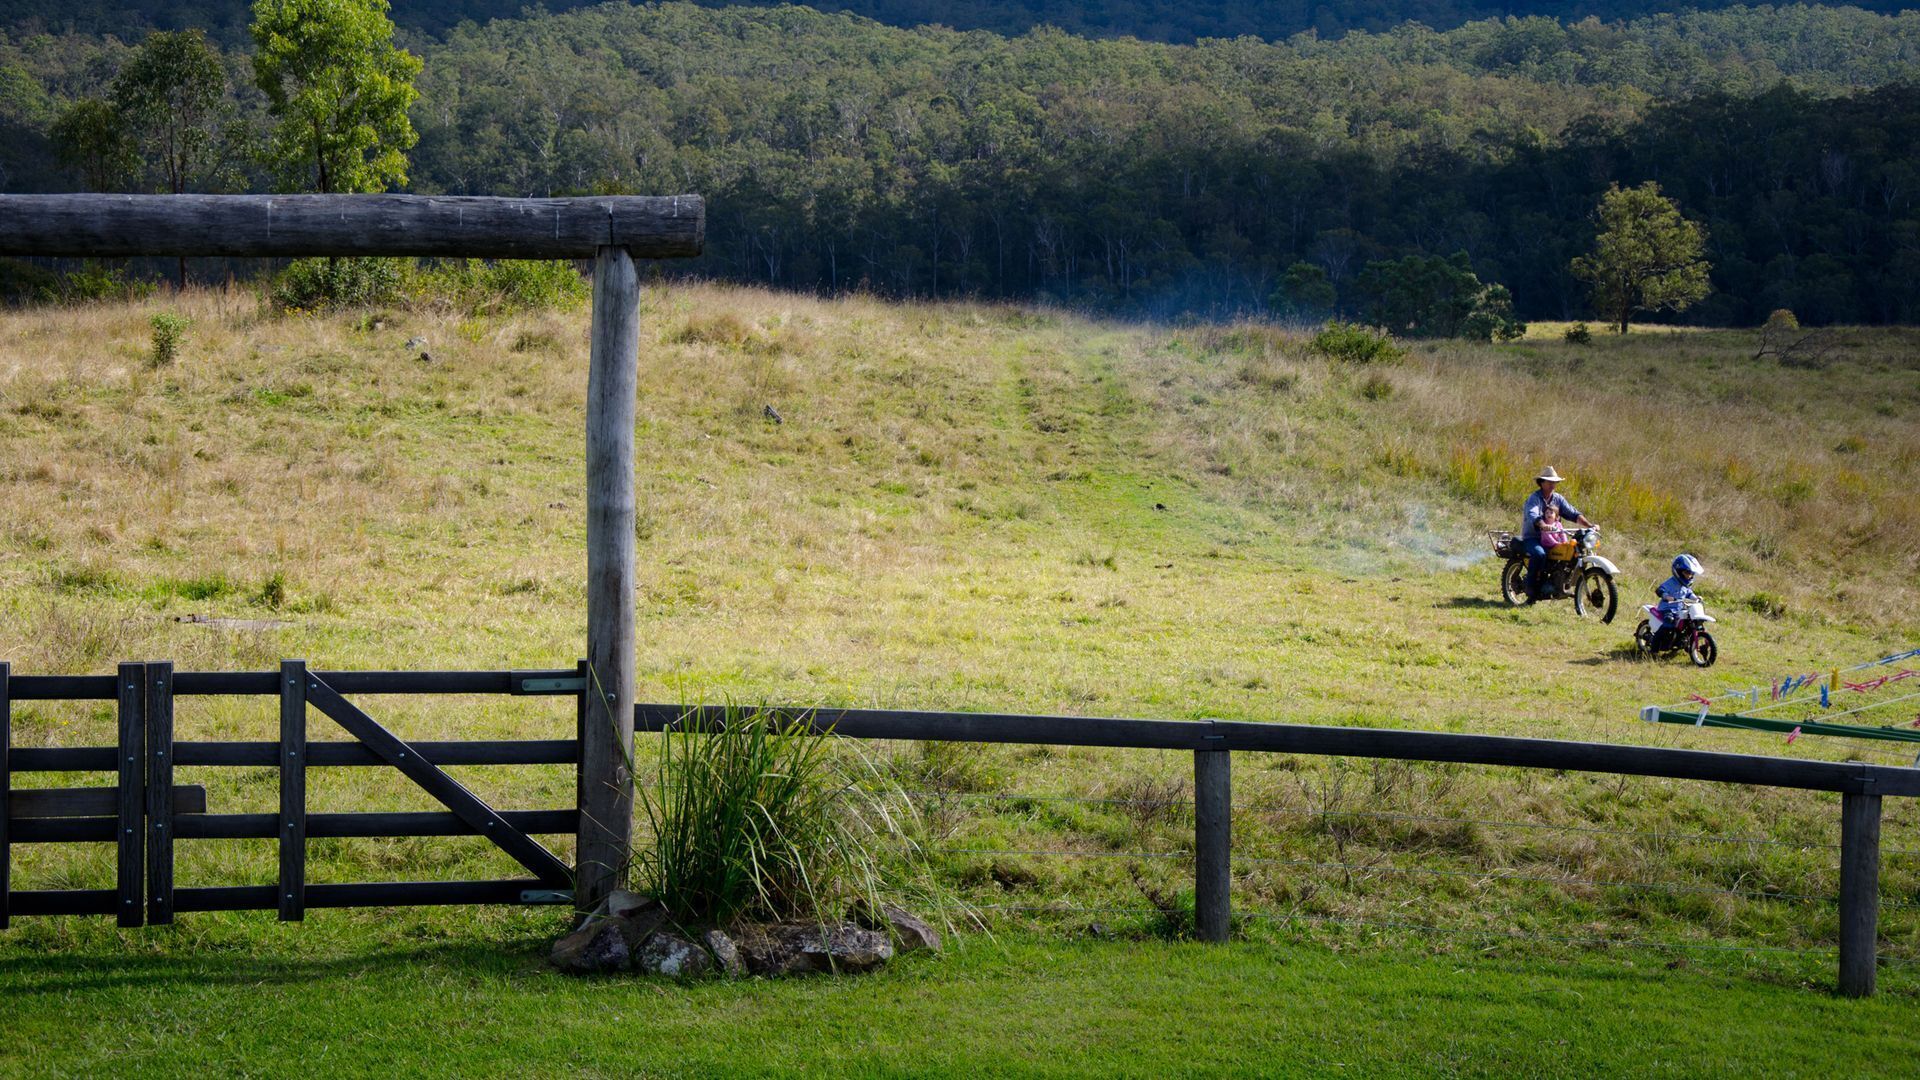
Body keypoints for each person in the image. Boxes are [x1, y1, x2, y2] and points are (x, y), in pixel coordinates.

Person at [1520, 466, 1594, 600]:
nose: (1552, 485)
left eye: (1554, 482)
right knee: (1539, 554)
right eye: (1549, 482)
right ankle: (1531, 589)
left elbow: (1573, 513)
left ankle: (1559, 582)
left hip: (1552, 538)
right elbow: (1532, 513)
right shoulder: (1534, 498)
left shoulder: (1558, 499)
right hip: (1534, 537)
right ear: (1541, 482)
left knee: (1571, 552)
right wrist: (1542, 525)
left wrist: (1590, 525)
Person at [1651, 554, 1703, 650]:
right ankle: (1654, 646)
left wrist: (1695, 598)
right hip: (1668, 608)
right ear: (1679, 571)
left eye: (1691, 573)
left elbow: (1689, 593)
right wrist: (1666, 596)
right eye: (1687, 573)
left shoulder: (1685, 585)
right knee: (1669, 622)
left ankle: (1685, 642)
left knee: (1689, 622)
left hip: (1679, 609)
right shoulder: (1670, 583)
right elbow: (1660, 590)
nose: (1690, 576)